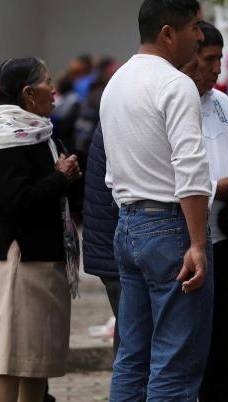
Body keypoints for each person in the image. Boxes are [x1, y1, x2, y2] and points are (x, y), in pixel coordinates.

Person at [100, 1, 213, 401]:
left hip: (129, 223)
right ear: (168, 33)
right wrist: (197, 243)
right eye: (194, 27)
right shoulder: (175, 84)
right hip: (169, 228)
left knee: (132, 358)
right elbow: (190, 167)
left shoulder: (117, 82)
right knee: (174, 363)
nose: (199, 36)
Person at [181, 21, 228, 402]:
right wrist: (214, 189)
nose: (216, 69)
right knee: (195, 345)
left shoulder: (223, 103)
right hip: (188, 242)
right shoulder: (176, 103)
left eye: (219, 59)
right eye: (209, 59)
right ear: (188, 57)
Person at [0, 57, 81, 402]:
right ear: (28, 93)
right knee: (10, 361)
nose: (55, 90)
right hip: (22, 261)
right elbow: (17, 202)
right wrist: (59, 178)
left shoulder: (41, 133)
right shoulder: (9, 138)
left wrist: (67, 176)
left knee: (36, 363)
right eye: (48, 82)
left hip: (45, 260)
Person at [81, 123, 121, 357]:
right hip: (115, 248)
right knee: (134, 340)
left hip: (111, 246)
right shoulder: (120, 118)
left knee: (132, 338)